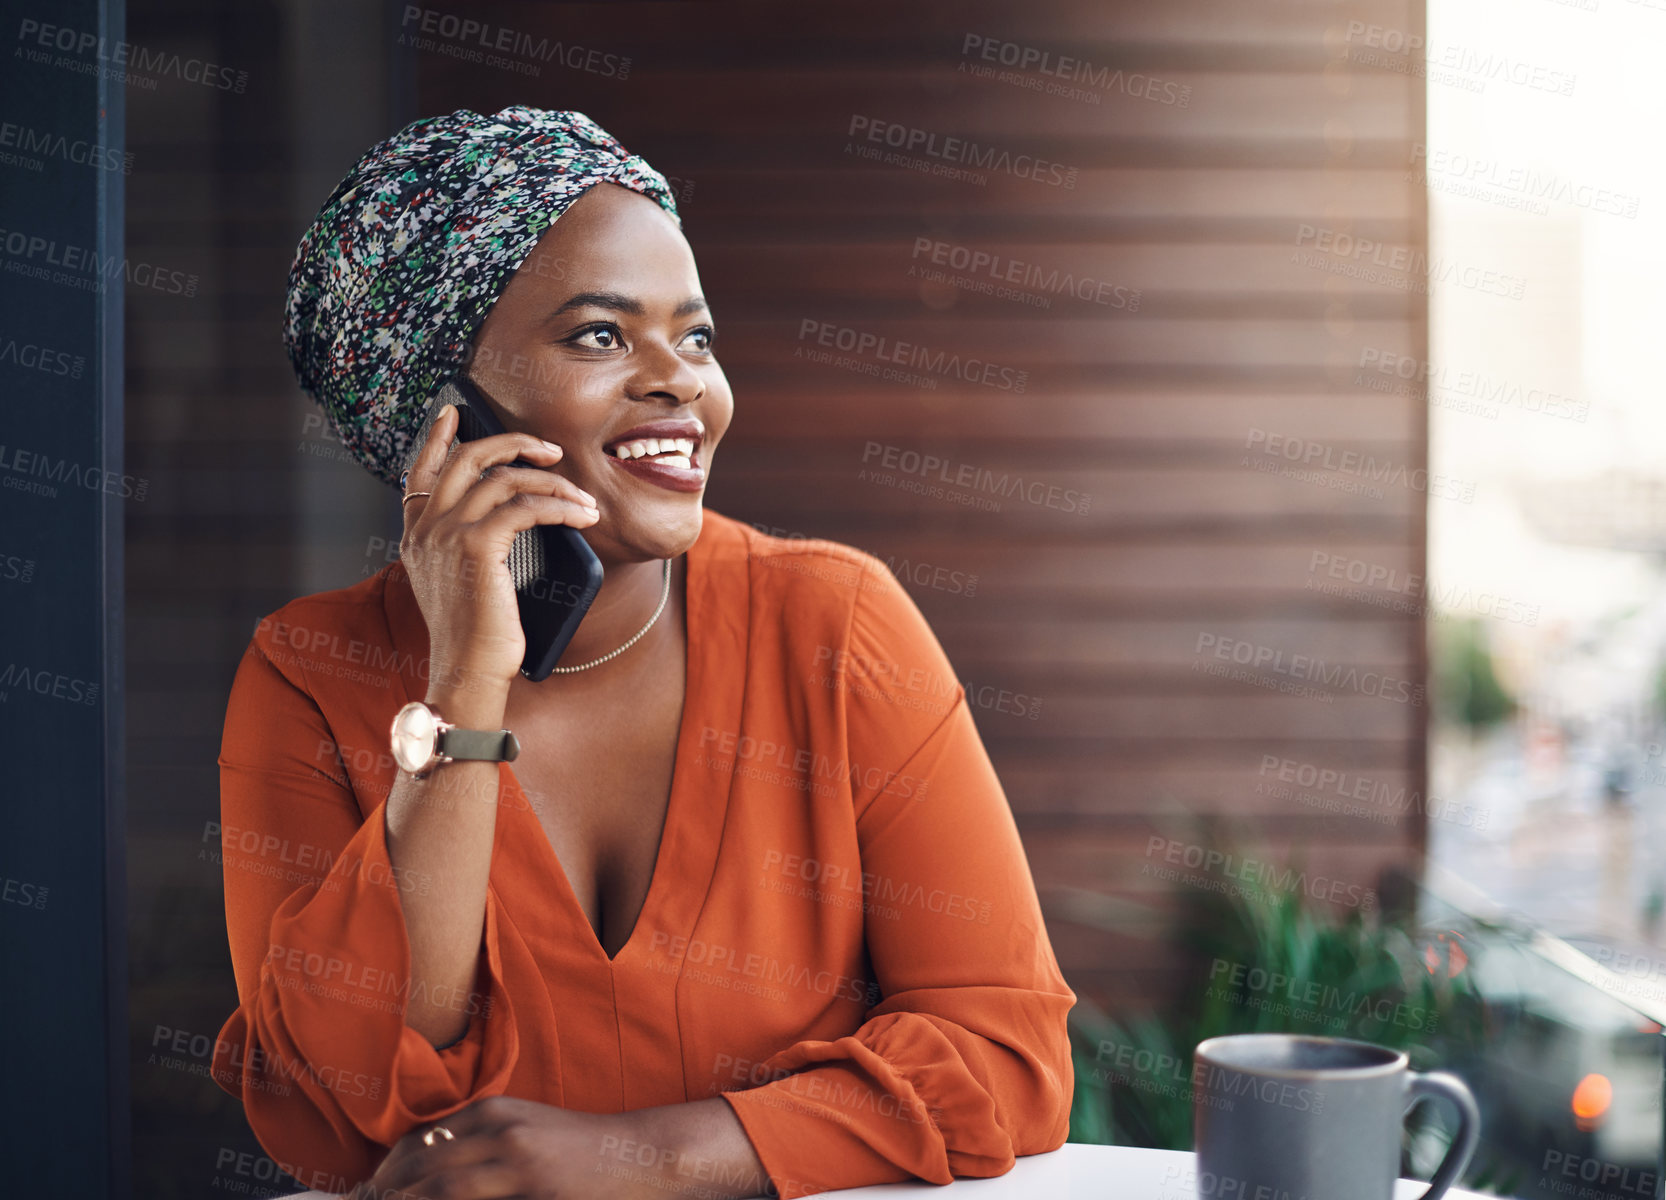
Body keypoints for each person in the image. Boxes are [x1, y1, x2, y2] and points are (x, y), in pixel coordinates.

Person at [212, 105, 1076, 1200]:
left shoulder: (836, 626)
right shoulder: (306, 673)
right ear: (443, 411)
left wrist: (648, 1157)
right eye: (599, 335)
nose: (682, 383)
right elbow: (333, 1112)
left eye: (696, 336)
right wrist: (466, 687)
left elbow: (1008, 1060)